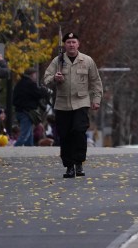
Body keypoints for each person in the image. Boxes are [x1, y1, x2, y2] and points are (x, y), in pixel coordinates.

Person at [44, 31, 103, 179]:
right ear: (64, 45)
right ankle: (69, 166)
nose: (71, 45)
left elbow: (96, 81)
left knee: (78, 131)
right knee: (65, 135)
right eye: (68, 42)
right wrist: (54, 78)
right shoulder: (58, 61)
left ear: (78, 44)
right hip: (62, 104)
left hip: (81, 102)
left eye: (74, 42)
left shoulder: (87, 61)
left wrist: (96, 99)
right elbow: (46, 79)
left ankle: (79, 162)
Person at [13, 68, 51, 147]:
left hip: (20, 111)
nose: (36, 76)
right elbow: (38, 94)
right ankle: (14, 149)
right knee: (24, 135)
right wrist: (45, 91)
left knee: (29, 135)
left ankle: (29, 149)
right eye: (35, 74)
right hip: (26, 112)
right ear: (31, 75)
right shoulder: (30, 84)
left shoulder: (20, 83)